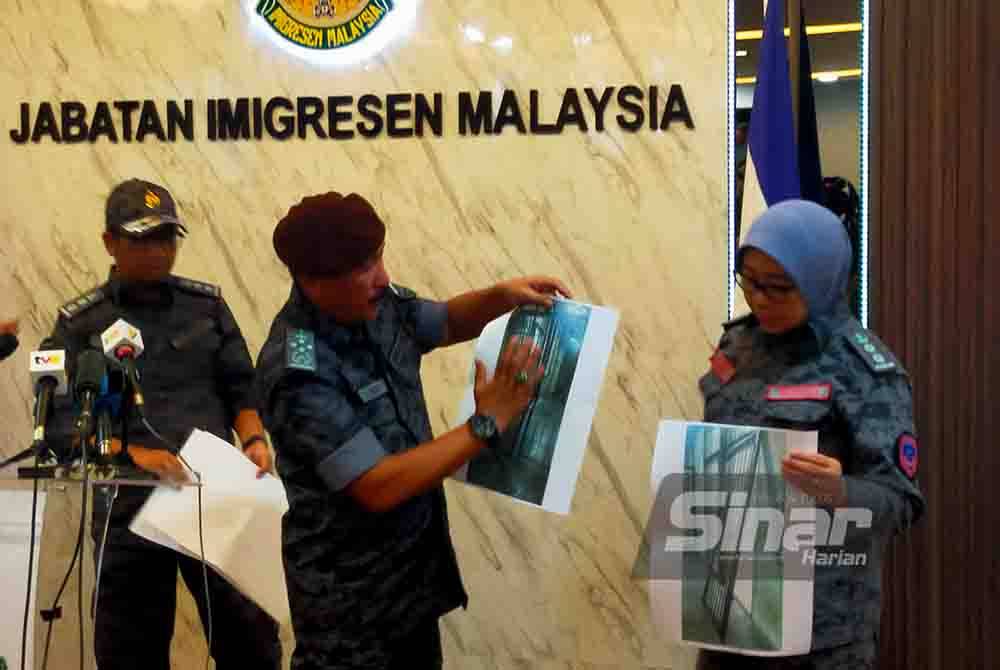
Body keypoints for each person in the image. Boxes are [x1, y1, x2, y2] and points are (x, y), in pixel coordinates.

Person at [255, 191, 570, 670]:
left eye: (378, 256)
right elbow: (378, 485)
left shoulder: (375, 303)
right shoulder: (299, 368)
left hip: (410, 592)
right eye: (363, 267)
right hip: (349, 617)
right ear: (313, 282)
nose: (381, 276)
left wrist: (502, 297)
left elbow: (442, 321)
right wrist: (487, 422)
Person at [45, 179, 281, 670]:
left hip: (213, 495)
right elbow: (60, 423)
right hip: (129, 504)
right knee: (132, 652)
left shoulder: (207, 307)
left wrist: (255, 437)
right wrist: (134, 455)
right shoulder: (80, 324)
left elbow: (241, 385)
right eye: (142, 240)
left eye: (166, 239)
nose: (158, 252)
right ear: (109, 242)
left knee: (251, 643)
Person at [696, 199, 925, 669]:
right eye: (751, 281)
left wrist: (841, 491)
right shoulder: (737, 345)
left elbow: (900, 500)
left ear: (819, 280)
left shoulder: (865, 369)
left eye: (778, 287)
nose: (759, 299)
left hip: (822, 634)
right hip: (729, 611)